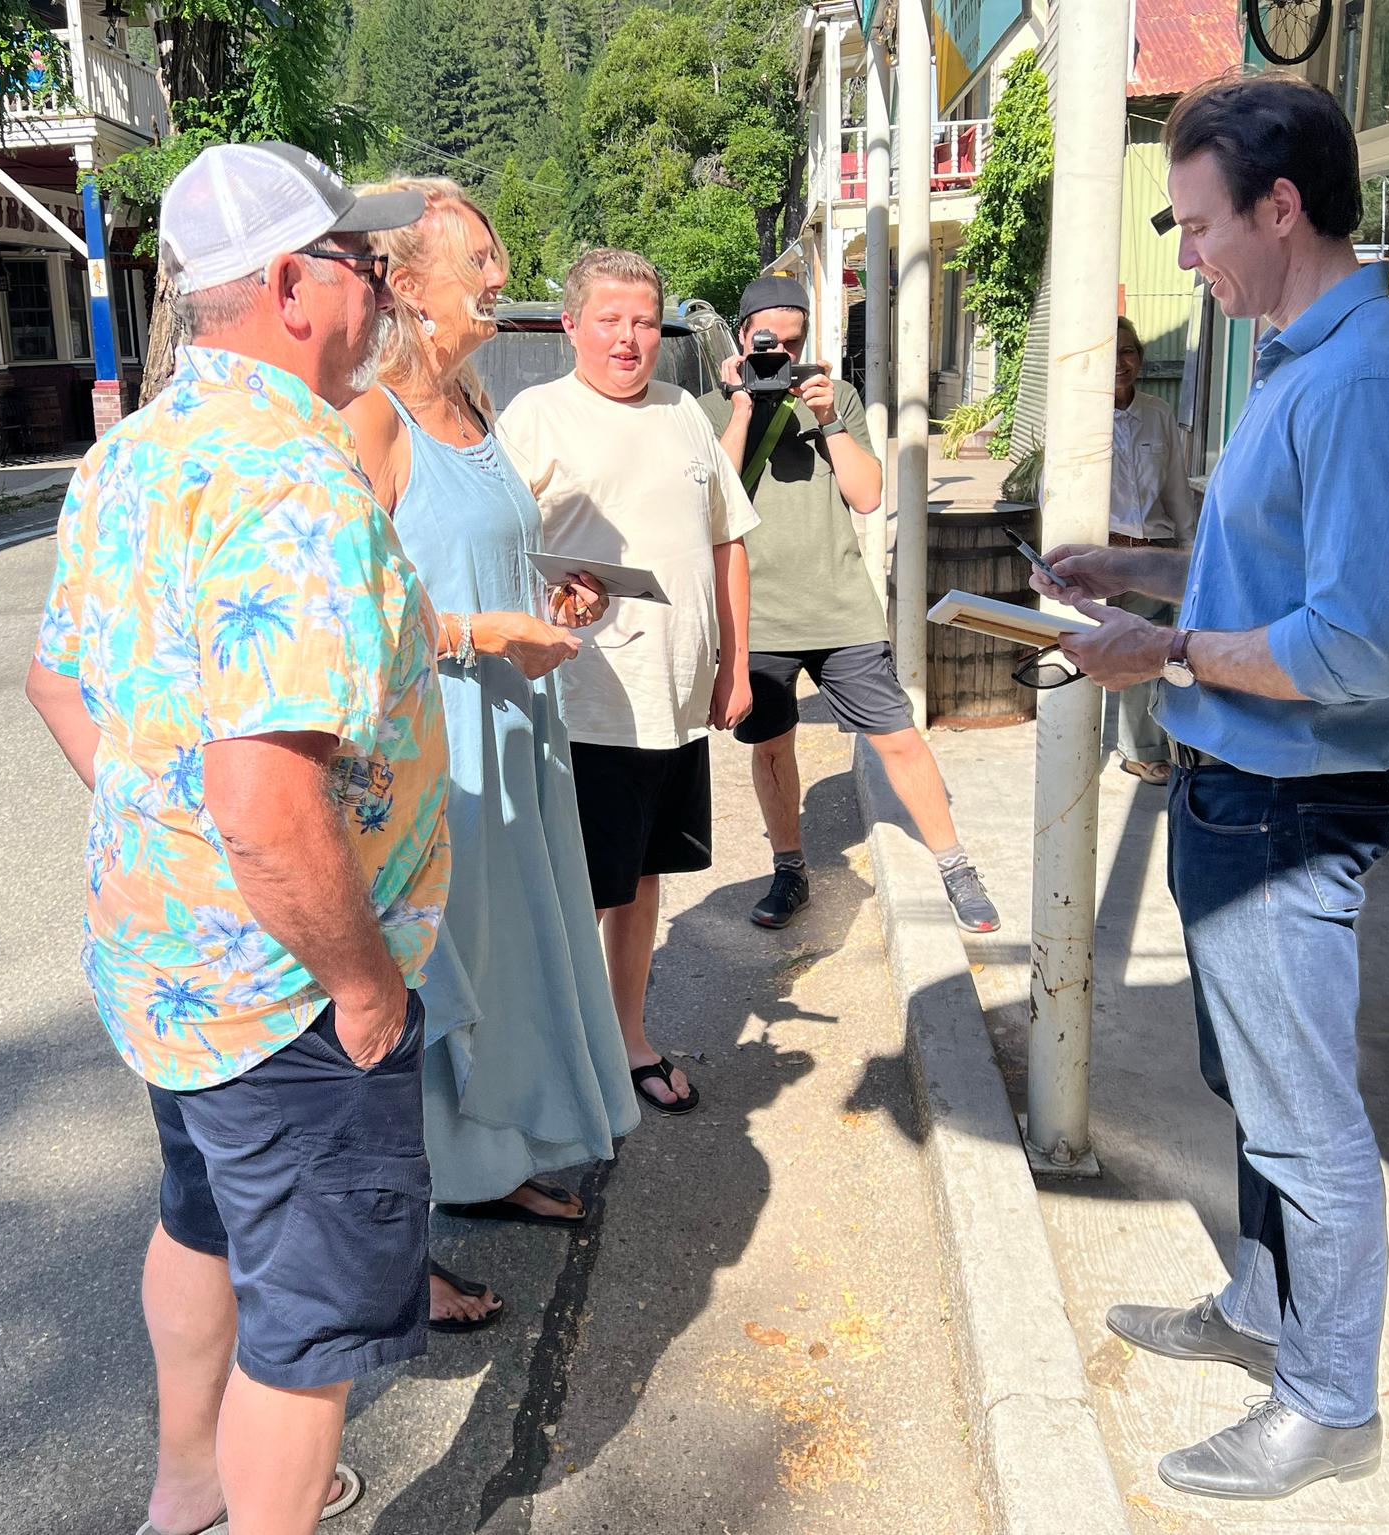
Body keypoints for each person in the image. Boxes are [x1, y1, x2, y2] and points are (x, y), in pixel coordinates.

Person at [1031, 77, 1389, 1500]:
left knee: (1304, 1114)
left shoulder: (1370, 381)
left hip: (1289, 809)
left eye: (1201, 225)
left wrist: (1164, 646)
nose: (1189, 253)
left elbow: (1363, 639)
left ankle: (1333, 1400)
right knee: (1257, 1086)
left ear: (1283, 208)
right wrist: (1139, 573)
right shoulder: (1299, 361)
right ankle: (1271, 1308)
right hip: (1236, 791)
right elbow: (1275, 575)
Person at [24, 143, 449, 1535]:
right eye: (363, 263)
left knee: (204, 1217)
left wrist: (163, 830)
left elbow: (58, 679)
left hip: (170, 969)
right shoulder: (298, 483)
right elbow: (268, 801)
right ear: (289, 284)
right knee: (307, 1325)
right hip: (287, 989)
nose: (381, 290)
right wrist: (366, 982)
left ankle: (189, 1487)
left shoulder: (132, 456)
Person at [343, 179, 639, 1327]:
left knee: (506, 959)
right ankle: (395, 1248)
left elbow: (479, 555)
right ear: (405, 285)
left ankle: (482, 1162)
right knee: (429, 983)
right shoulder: (372, 422)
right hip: (437, 753)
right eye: (478, 258)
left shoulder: (469, 398)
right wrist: (483, 631)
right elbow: (344, 618)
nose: (501, 275)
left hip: (514, 730)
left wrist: (544, 593)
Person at [497, 249, 757, 1115]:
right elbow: (494, 553)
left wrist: (734, 666)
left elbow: (728, 543)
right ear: (569, 324)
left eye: (644, 321)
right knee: (576, 888)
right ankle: (561, 1062)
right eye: (609, 319)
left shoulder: (685, 411)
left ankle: (627, 1036)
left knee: (644, 879)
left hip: (674, 700)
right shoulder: (536, 418)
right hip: (583, 703)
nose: (629, 338)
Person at [696, 273, 1000, 933]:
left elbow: (866, 495)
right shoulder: (712, 407)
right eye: (766, 342)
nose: (779, 355)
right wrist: (744, 405)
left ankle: (955, 866)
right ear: (741, 336)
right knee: (772, 746)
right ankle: (790, 868)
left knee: (898, 738)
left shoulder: (839, 398)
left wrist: (829, 417)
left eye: (794, 343)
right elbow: (708, 503)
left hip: (839, 606)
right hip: (759, 614)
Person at [1105, 314, 1199, 786]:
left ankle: (1141, 749)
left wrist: (1189, 551)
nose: (1119, 363)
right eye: (1110, 352)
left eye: (1127, 352)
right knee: (1097, 650)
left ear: (1139, 360)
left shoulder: (1159, 413)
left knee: (1151, 652)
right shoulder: (1079, 415)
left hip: (1153, 552)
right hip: (1099, 552)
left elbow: (1177, 490)